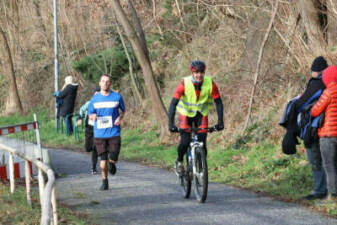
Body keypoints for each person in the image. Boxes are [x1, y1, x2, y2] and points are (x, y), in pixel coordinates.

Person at [168, 60, 224, 175]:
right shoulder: (184, 83)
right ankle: (179, 161)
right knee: (185, 141)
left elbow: (218, 102)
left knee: (202, 143)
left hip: (201, 114)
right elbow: (173, 103)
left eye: (201, 72)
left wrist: (220, 121)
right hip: (185, 114)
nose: (199, 75)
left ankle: (201, 170)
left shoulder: (210, 83)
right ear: (192, 73)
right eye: (196, 72)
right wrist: (171, 124)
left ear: (204, 72)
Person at [293, 56, 328, 200]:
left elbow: (307, 105)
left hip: (316, 128)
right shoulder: (330, 84)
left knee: (316, 159)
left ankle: (320, 190)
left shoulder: (318, 84)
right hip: (326, 129)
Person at [88, 74, 125, 190]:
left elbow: (123, 111)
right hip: (99, 134)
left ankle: (112, 162)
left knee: (113, 155)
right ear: (99, 83)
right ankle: (105, 181)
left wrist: (120, 118)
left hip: (114, 132)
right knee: (102, 164)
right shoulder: (94, 99)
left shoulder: (117, 97)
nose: (105, 83)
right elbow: (90, 113)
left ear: (110, 84)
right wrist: (92, 116)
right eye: (103, 81)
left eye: (107, 81)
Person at [311, 65, 337, 202]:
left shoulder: (328, 92)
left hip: (328, 135)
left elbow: (315, 110)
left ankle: (332, 196)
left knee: (329, 165)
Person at [78, 87, 100, 174]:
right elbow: (81, 110)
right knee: (88, 148)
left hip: (98, 128)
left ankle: (93, 168)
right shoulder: (89, 103)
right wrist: (80, 117)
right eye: (95, 95)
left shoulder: (102, 104)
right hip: (89, 128)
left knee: (95, 147)